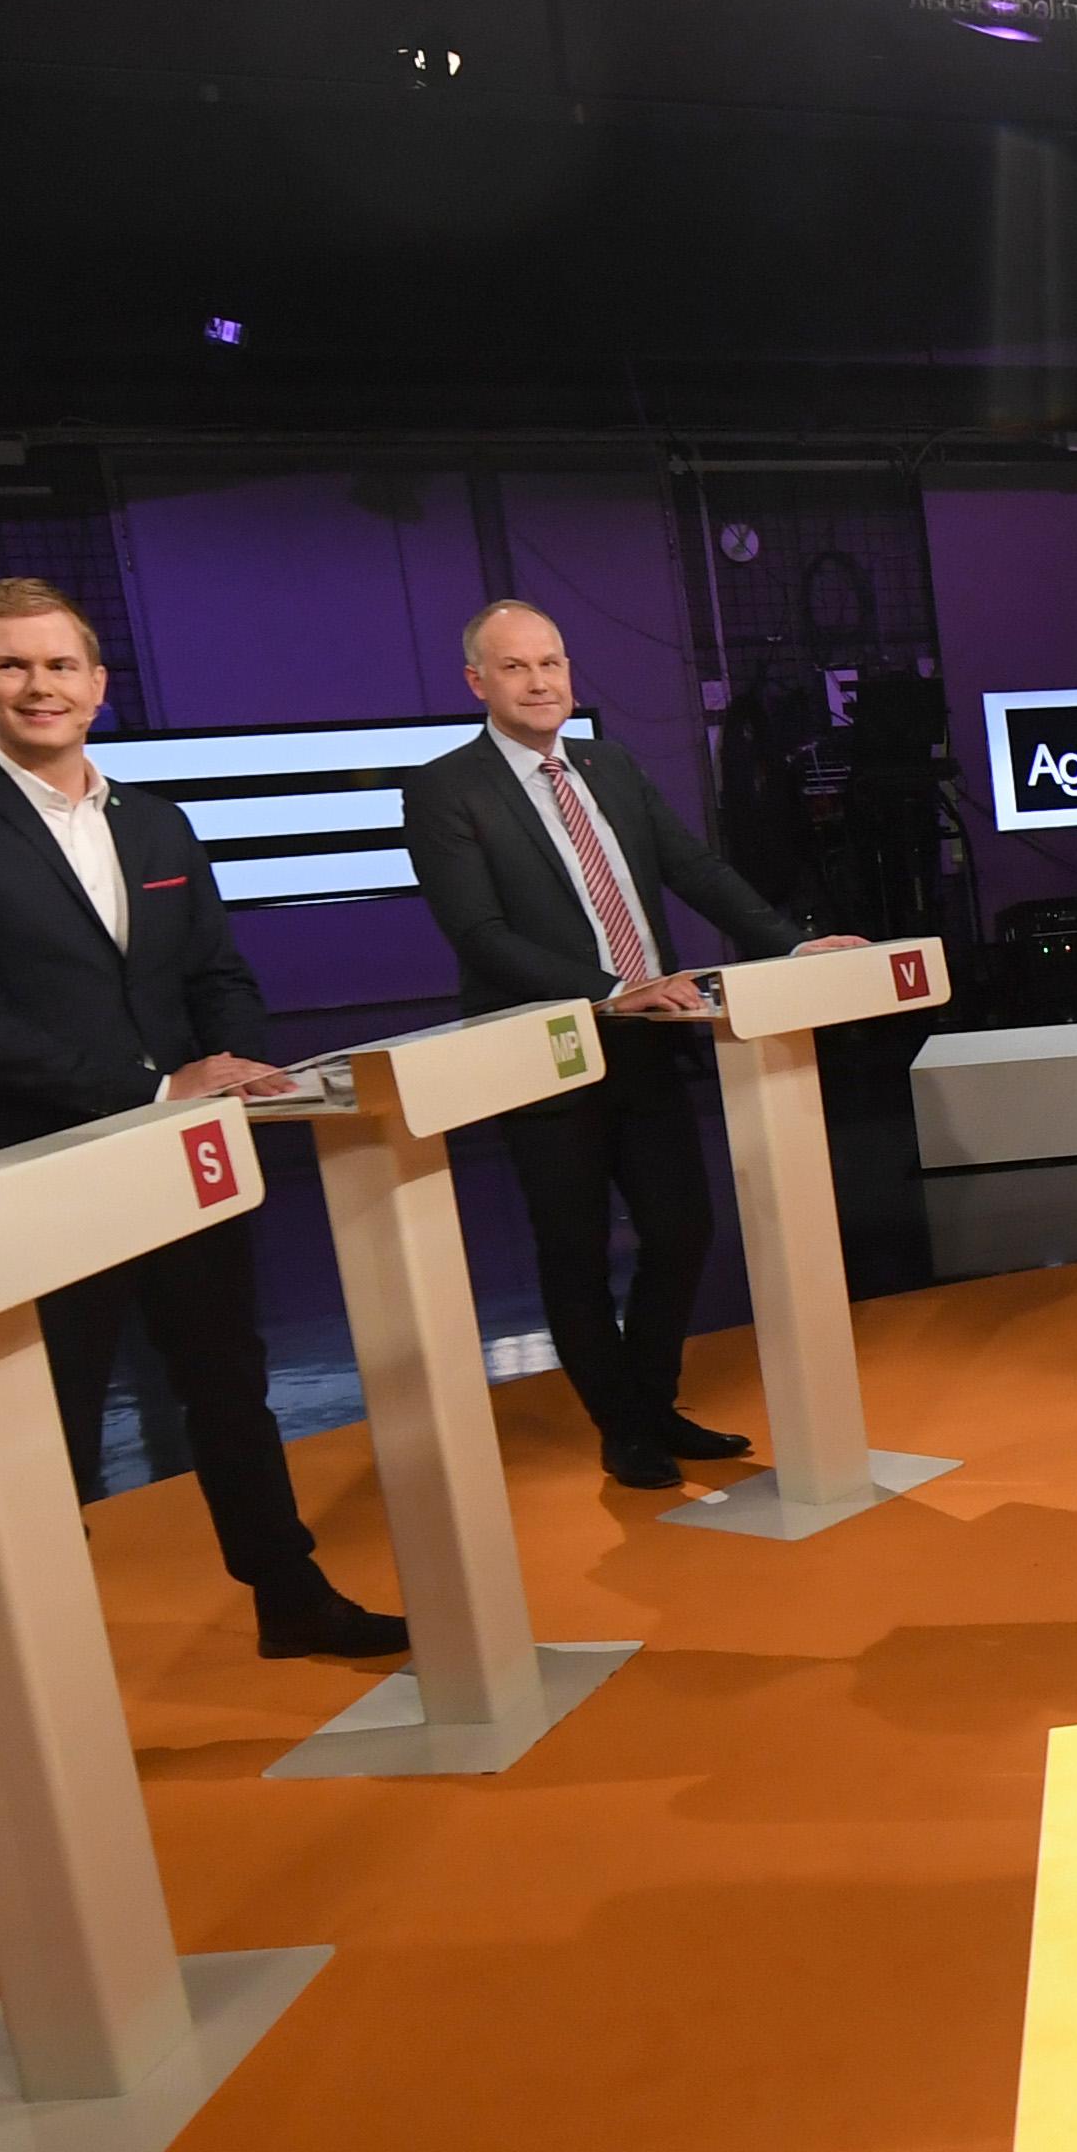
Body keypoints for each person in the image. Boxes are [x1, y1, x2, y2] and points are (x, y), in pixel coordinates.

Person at [0, 580, 405, 1658]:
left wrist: (239, 1058)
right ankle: (44, 1653)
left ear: (99, 686)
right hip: (34, 1167)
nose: (38, 686)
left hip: (182, 1157)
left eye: (60, 665)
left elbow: (215, 971)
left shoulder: (156, 820)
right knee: (49, 1411)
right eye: (10, 665)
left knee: (227, 1382)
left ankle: (289, 1597)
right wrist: (155, 1089)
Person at [402, 597, 881, 1490]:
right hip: (544, 1052)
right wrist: (612, 992)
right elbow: (479, 932)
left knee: (682, 1229)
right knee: (574, 1246)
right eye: (515, 667)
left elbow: (692, 869)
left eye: (552, 662)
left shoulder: (610, 765)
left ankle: (651, 1403)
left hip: (651, 1042)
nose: (540, 681)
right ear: (477, 681)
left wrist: (788, 942)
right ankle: (623, 1428)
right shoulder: (444, 789)